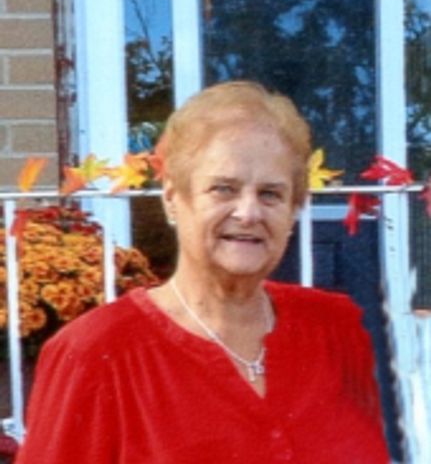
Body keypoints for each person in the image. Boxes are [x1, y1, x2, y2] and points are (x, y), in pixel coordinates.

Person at [15, 81, 390, 463]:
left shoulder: (337, 329)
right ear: (173, 199)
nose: (248, 213)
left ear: (293, 209)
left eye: (270, 194)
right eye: (223, 189)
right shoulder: (95, 353)